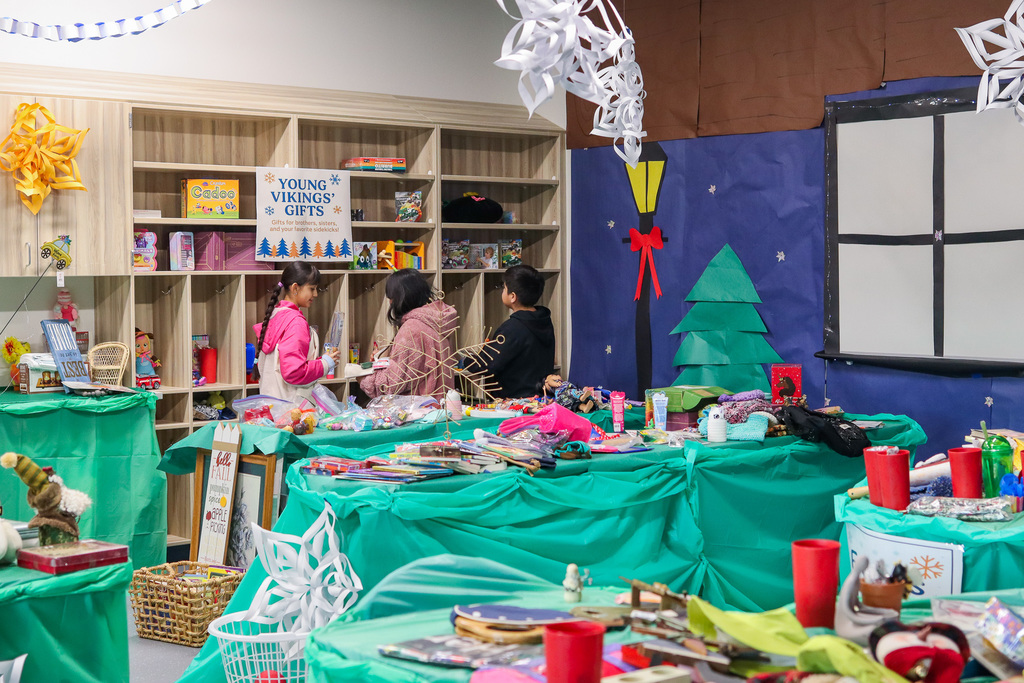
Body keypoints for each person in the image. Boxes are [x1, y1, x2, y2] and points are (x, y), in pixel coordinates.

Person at [360, 268, 457, 399]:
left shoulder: (412, 329)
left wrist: (363, 377)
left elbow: (392, 384)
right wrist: (385, 359)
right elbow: (418, 368)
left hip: (417, 412)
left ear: (399, 297)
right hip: (440, 408)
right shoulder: (435, 322)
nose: (390, 302)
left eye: (391, 298)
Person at [253, 261, 340, 403]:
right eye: (312, 289)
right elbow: (294, 372)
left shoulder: (275, 315)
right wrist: (325, 364)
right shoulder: (295, 322)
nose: (316, 294)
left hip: (272, 408)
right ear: (295, 288)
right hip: (292, 412)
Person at [465, 264, 555, 398]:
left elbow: (489, 364)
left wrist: (465, 362)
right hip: (541, 399)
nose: (502, 291)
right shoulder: (544, 320)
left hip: (515, 402)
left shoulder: (512, 328)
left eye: (504, 288)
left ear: (512, 296)